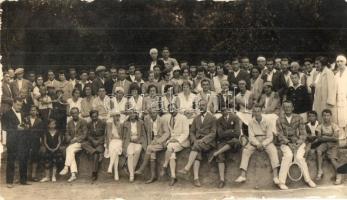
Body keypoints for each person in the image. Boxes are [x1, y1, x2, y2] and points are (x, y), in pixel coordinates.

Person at [235, 106, 280, 185]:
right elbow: (251, 137)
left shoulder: (268, 121)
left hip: (266, 140)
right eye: (255, 111)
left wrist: (262, 144)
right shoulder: (251, 122)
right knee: (246, 151)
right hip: (255, 141)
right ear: (253, 112)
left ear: (261, 112)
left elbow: (270, 137)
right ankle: (242, 175)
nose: (257, 113)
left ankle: (275, 176)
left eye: (258, 111)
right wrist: (257, 144)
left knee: (273, 150)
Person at [276, 101, 316, 190]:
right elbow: (280, 135)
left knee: (299, 157)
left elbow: (303, 133)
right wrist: (288, 143)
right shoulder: (279, 119)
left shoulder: (299, 118)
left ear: (292, 108)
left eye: (289, 107)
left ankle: (308, 180)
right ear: (283, 108)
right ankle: (281, 182)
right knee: (288, 156)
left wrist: (298, 143)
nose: (287, 109)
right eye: (285, 107)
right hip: (285, 143)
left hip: (298, 142)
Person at [178, 99, 216, 187]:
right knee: (197, 154)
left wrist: (202, 140)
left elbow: (213, 133)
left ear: (206, 106)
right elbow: (191, 131)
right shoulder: (196, 118)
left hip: (208, 142)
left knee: (196, 147)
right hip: (197, 142)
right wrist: (194, 140)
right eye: (200, 105)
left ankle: (187, 168)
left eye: (203, 105)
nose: (201, 107)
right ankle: (196, 179)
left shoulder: (212, 118)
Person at [135, 108, 170, 184]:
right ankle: (153, 176)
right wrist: (150, 142)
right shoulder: (149, 120)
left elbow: (167, 133)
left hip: (162, 141)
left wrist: (158, 141)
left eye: (154, 113)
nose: (153, 115)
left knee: (149, 148)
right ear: (149, 114)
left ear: (157, 113)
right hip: (154, 142)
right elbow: (148, 133)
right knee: (152, 154)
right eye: (151, 113)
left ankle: (142, 168)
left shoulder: (162, 120)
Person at [209, 107, 241, 188]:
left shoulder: (235, 118)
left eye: (225, 109)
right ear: (220, 111)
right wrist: (231, 131)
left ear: (228, 110)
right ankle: (222, 180)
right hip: (223, 141)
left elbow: (237, 133)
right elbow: (220, 134)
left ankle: (216, 153)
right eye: (222, 110)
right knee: (220, 156)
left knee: (236, 141)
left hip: (233, 141)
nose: (224, 111)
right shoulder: (219, 120)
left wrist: (226, 132)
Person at [2, 98, 30, 188]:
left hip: (22, 141)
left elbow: (26, 124)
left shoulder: (23, 113)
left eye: (21, 105)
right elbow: (5, 128)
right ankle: (9, 182)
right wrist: (16, 128)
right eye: (18, 104)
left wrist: (26, 126)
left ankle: (23, 180)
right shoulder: (6, 114)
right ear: (13, 103)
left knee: (23, 160)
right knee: (11, 161)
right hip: (12, 141)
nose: (19, 106)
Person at [159, 103, 190, 186]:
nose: (171, 110)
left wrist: (177, 140)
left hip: (182, 141)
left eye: (173, 108)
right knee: (172, 154)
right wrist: (168, 141)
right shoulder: (169, 119)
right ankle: (173, 176)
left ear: (177, 108)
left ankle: (165, 166)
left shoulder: (183, 118)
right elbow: (171, 134)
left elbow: (186, 133)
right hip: (173, 142)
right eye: (170, 109)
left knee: (170, 147)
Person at [59, 107, 88, 182]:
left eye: (76, 113)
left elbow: (85, 135)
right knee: (70, 151)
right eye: (73, 113)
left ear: (78, 113)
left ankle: (66, 167)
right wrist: (69, 138)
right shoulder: (69, 122)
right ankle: (73, 175)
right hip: (72, 143)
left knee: (69, 149)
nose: (74, 114)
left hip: (81, 142)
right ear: (71, 114)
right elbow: (67, 133)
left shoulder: (83, 121)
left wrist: (76, 139)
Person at [314, 109, 342, 184]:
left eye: (328, 115)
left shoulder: (334, 126)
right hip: (324, 144)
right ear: (322, 117)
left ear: (330, 116)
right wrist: (329, 136)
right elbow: (319, 138)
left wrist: (325, 136)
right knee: (318, 150)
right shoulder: (320, 126)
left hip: (333, 144)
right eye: (324, 116)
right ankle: (320, 171)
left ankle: (339, 174)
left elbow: (335, 138)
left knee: (332, 158)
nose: (326, 117)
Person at [123, 109, 147, 182]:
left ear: (136, 114)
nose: (132, 115)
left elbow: (143, 135)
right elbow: (124, 136)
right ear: (129, 115)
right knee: (130, 154)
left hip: (138, 141)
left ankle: (130, 171)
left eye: (134, 113)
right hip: (130, 141)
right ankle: (132, 174)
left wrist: (139, 141)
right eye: (130, 113)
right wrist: (128, 140)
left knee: (137, 151)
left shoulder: (140, 123)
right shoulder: (126, 123)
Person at [81, 110, 106, 181]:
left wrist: (98, 141)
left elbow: (105, 134)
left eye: (96, 116)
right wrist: (92, 140)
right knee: (83, 144)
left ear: (98, 115)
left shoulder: (103, 123)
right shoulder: (88, 124)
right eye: (93, 117)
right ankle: (94, 151)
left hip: (100, 142)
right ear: (90, 117)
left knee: (96, 155)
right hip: (92, 141)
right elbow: (88, 135)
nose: (94, 118)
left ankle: (94, 173)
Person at [313, 56, 336, 121]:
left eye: (317, 63)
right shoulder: (319, 74)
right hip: (319, 101)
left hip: (326, 103)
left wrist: (330, 102)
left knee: (326, 120)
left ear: (323, 63)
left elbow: (332, 88)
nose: (316, 65)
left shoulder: (328, 72)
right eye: (315, 64)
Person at [24, 106, 43, 182]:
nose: (33, 111)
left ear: (37, 112)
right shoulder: (25, 119)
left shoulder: (39, 120)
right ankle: (25, 175)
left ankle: (33, 175)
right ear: (29, 111)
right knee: (26, 157)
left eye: (34, 110)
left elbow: (41, 132)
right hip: (26, 141)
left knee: (35, 158)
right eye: (31, 110)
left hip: (35, 141)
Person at [106, 111, 124, 181]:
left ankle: (110, 166)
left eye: (118, 116)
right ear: (112, 117)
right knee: (114, 148)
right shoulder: (109, 124)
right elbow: (108, 137)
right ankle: (116, 172)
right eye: (115, 116)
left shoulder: (121, 124)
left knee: (116, 146)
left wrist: (116, 138)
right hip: (112, 142)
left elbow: (121, 137)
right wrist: (107, 146)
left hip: (119, 141)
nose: (117, 117)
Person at [333, 55, 347, 139]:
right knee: (340, 117)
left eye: (341, 61)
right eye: (337, 61)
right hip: (339, 99)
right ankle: (342, 135)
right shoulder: (336, 75)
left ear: (345, 62)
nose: (339, 63)